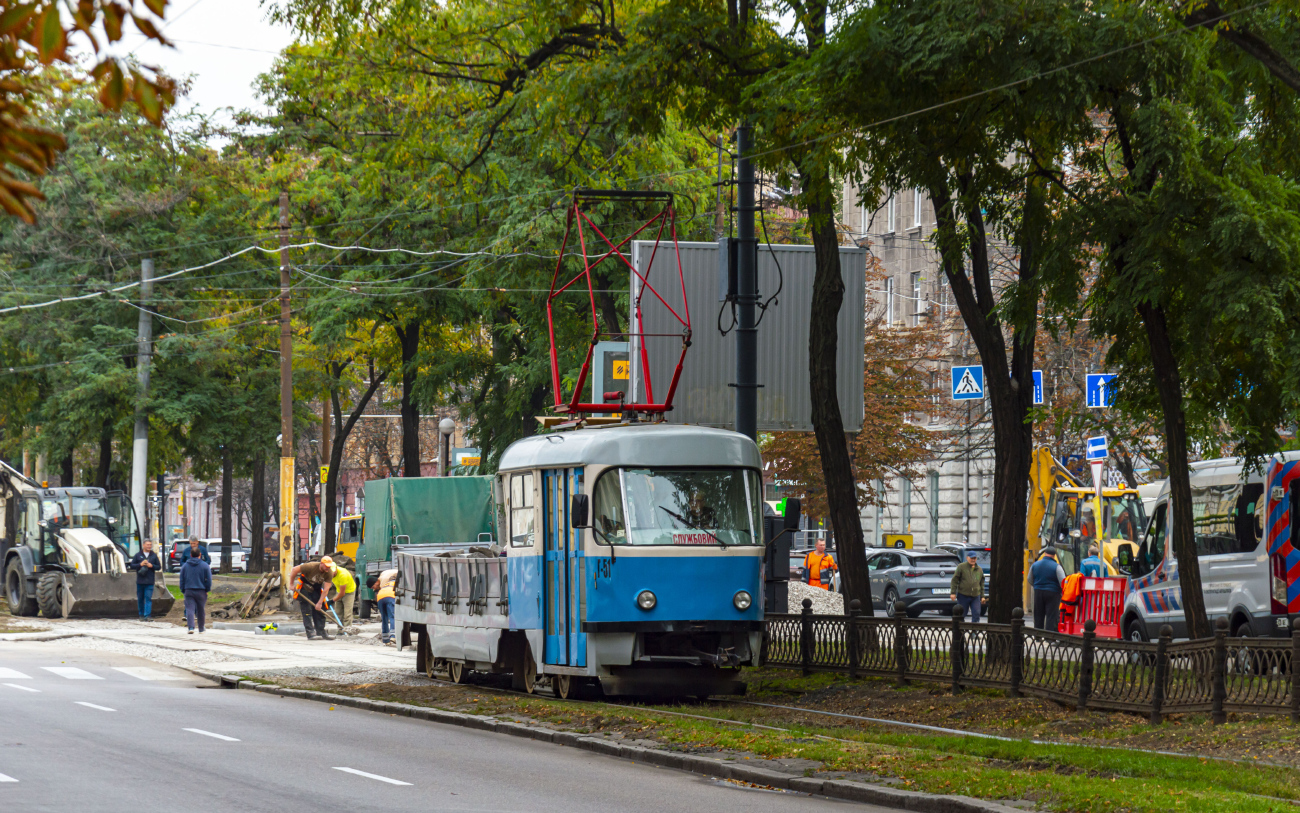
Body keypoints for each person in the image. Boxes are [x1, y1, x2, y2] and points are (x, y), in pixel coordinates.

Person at [288, 556, 336, 640]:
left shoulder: (329, 573)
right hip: (304, 588)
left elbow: (326, 589)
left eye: (329, 566)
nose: (328, 568)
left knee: (320, 610)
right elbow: (294, 570)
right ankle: (310, 633)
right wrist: (291, 584)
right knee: (307, 611)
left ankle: (321, 632)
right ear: (321, 564)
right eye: (326, 566)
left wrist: (320, 602)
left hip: (316, 589)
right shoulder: (310, 566)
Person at [1030, 547, 1066, 632]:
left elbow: (1029, 579)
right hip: (1053, 593)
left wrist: (1036, 586)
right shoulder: (1057, 567)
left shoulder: (1035, 565)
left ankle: (1038, 636)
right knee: (1051, 615)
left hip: (1038, 592)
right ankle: (1049, 637)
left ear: (1045, 554)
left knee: (1038, 614)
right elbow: (1063, 581)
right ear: (1054, 556)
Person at [127, 539, 163, 621]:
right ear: (143, 545)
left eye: (150, 545)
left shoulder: (153, 555)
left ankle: (148, 616)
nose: (149, 546)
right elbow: (132, 566)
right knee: (140, 599)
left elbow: (159, 567)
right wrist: (140, 564)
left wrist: (152, 566)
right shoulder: (138, 555)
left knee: (148, 598)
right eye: (147, 544)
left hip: (150, 581)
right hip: (140, 581)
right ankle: (141, 615)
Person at [178, 546, 212, 634]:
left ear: (190, 555)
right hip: (201, 590)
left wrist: (183, 589)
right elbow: (209, 579)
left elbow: (182, 579)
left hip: (188, 590)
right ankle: (201, 628)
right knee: (201, 609)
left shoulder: (185, 566)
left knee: (190, 609)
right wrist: (207, 589)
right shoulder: (205, 565)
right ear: (200, 555)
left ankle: (191, 627)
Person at [949, 550, 985, 622]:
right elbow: (955, 580)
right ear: (967, 558)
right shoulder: (961, 567)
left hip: (975, 596)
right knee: (961, 614)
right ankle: (960, 631)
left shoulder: (979, 569)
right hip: (963, 595)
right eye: (971, 558)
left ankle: (974, 631)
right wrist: (953, 592)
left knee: (976, 613)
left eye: (974, 558)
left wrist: (982, 596)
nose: (973, 560)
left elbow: (981, 583)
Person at [372, 568, 398, 645]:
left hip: (380, 596)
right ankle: (393, 636)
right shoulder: (397, 582)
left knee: (384, 618)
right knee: (393, 616)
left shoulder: (384, 583)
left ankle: (386, 640)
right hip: (390, 596)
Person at [329, 563, 357, 631]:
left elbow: (342, 593)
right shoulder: (328, 573)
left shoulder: (343, 575)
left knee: (347, 613)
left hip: (349, 592)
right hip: (339, 591)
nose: (332, 574)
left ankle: (347, 630)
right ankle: (340, 630)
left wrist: (332, 600)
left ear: (336, 569)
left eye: (333, 572)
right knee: (338, 612)